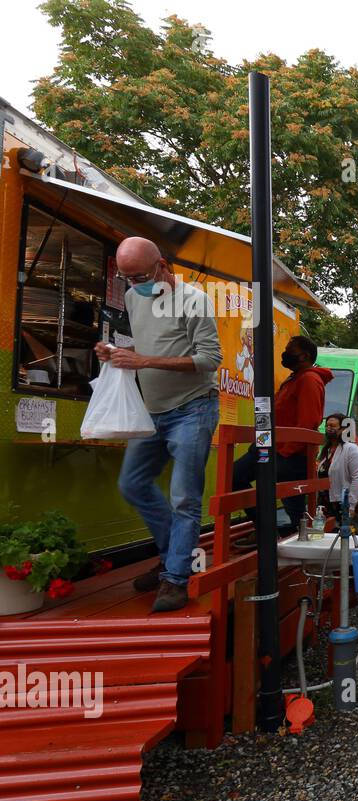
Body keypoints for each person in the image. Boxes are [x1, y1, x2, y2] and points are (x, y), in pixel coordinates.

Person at [93, 237, 221, 613]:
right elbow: (151, 347)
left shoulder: (195, 300)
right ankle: (172, 557)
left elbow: (210, 359)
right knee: (132, 484)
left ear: (162, 265)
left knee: (184, 497)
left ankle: (176, 580)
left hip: (193, 408)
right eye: (126, 278)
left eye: (139, 276)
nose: (133, 284)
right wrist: (119, 354)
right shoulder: (134, 298)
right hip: (151, 410)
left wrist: (144, 361)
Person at [232, 334, 332, 545]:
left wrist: (284, 452)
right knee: (290, 504)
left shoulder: (309, 380)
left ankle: (270, 532)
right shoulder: (296, 378)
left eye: (289, 350)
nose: (285, 355)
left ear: (304, 356)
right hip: (272, 447)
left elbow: (308, 422)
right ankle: (272, 531)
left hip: (288, 454)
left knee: (241, 477)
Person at [318, 413, 358, 528]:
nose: (328, 428)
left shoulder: (352, 449)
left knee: (345, 539)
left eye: (333, 426)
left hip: (342, 503)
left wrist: (350, 506)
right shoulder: (327, 450)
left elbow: (357, 478)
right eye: (327, 426)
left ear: (343, 429)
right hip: (326, 503)